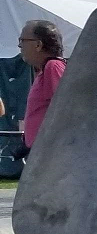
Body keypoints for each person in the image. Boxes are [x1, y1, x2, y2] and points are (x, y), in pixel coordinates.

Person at [18, 20, 67, 156]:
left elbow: (63, 109)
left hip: (48, 153)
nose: (20, 46)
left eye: (23, 40)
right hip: (41, 151)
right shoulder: (45, 69)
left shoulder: (53, 66)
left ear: (38, 45)